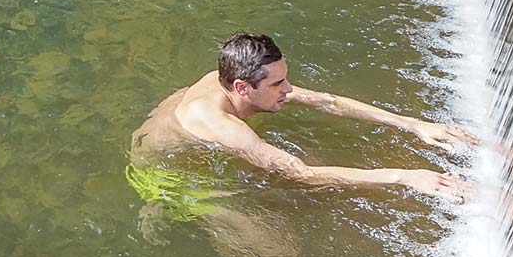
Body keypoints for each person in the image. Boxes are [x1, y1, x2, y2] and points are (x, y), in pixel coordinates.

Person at [131, 32, 472, 197]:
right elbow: (300, 173)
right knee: (279, 251)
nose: (290, 89)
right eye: (279, 83)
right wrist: (404, 176)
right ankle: (164, 211)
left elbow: (326, 101)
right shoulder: (224, 127)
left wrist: (412, 124)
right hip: (164, 175)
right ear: (241, 87)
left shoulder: (228, 77)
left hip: (171, 125)